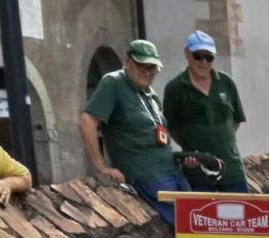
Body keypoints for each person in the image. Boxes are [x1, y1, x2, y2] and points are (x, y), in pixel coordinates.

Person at [79, 39, 189, 225]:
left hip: (171, 171)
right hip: (147, 175)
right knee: (186, 225)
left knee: (198, 218)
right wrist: (101, 167)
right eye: (141, 66)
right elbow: (87, 121)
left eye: (152, 68)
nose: (147, 72)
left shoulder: (150, 93)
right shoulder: (114, 83)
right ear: (128, 62)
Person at [163, 30, 249, 193]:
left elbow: (236, 121)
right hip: (196, 174)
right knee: (203, 217)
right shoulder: (174, 88)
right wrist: (191, 147)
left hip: (231, 170)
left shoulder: (226, 83)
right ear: (187, 53)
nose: (204, 62)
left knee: (239, 216)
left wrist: (220, 139)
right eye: (198, 55)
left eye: (209, 57)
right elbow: (172, 128)